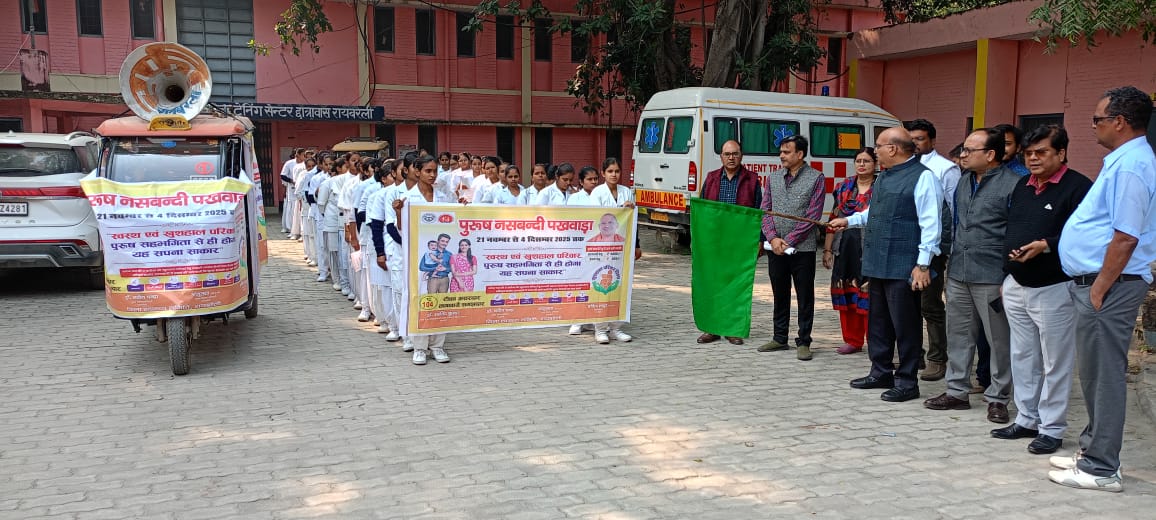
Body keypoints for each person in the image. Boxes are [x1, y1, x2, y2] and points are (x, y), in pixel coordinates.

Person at [1048, 86, 1156, 492]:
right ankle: (1092, 449)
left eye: (1097, 119)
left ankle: (1101, 468)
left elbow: (1126, 237)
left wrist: (1099, 289)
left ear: (1120, 122)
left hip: (1109, 285)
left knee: (1103, 376)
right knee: (1093, 373)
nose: (1093, 125)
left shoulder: (1132, 167)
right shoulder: (1125, 161)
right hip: (1102, 283)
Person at [989, 125, 1092, 455]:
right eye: (1028, 153)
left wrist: (1047, 245)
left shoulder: (1078, 187)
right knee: (1023, 356)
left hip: (1054, 285)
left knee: (1055, 361)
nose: (1033, 158)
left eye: (1041, 152)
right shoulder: (1023, 185)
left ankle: (1052, 429)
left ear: (1061, 153)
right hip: (1017, 283)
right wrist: (1007, 276)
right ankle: (1027, 419)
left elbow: (1088, 235)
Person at [828, 127, 942, 403]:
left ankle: (907, 381)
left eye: (878, 146)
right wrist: (849, 220)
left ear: (893, 148)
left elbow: (931, 224)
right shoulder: (885, 176)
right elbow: (875, 212)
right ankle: (880, 371)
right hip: (877, 261)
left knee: (905, 325)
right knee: (878, 321)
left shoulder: (923, 177)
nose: (875, 151)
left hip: (904, 263)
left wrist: (923, 265)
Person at [923, 128, 1020, 424]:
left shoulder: (1014, 184)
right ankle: (956, 391)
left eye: (969, 150)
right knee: (959, 335)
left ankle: (998, 398)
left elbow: (1016, 233)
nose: (962, 155)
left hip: (992, 275)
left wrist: (1009, 275)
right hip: (959, 272)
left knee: (998, 340)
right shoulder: (964, 181)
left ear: (990, 155)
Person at [758, 135, 825, 361]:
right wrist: (773, 238)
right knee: (779, 293)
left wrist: (789, 240)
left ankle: (804, 341)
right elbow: (765, 210)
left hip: (802, 249)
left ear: (800, 154)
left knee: (805, 295)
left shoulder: (816, 178)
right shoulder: (774, 177)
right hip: (775, 248)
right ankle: (779, 337)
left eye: (787, 152)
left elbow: (813, 215)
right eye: (781, 152)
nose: (782, 156)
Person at [904, 119, 960, 381]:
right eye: (911, 139)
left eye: (920, 139)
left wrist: (945, 248)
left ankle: (938, 358)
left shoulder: (945, 169)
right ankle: (913, 353)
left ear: (932, 141)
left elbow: (952, 211)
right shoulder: (904, 167)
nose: (915, 143)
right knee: (906, 304)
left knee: (931, 305)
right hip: (906, 245)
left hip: (932, 248)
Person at [697, 140, 764, 345]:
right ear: (721, 157)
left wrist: (760, 240)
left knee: (737, 286)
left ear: (741, 155)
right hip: (714, 242)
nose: (731, 158)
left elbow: (759, 212)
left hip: (740, 243)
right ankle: (711, 329)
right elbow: (703, 211)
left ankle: (733, 329)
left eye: (735, 153)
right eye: (727, 154)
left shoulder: (752, 180)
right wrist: (698, 239)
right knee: (712, 285)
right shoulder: (711, 178)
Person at [393, 156, 458, 364]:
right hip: (418, 260)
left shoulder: (444, 196)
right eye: (428, 171)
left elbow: (457, 220)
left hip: (442, 264)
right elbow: (401, 230)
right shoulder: (407, 198)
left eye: (434, 171)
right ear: (417, 172)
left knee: (440, 302)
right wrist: (398, 212)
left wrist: (464, 206)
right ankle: (420, 347)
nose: (432, 175)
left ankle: (437, 345)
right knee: (420, 300)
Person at [823, 148, 876, 355]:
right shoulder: (843, 187)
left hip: (870, 249)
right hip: (844, 248)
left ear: (875, 164)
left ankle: (875, 342)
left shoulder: (881, 187)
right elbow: (833, 218)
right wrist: (827, 249)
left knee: (871, 296)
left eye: (867, 161)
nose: (862, 164)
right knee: (846, 292)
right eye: (858, 161)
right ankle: (852, 340)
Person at [586, 157, 636, 345]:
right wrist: (619, 209)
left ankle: (616, 328)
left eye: (617, 171)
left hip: (621, 246)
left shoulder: (626, 191)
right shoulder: (597, 193)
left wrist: (636, 244)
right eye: (610, 171)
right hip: (601, 248)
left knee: (620, 285)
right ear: (603, 173)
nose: (614, 175)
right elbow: (596, 218)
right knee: (601, 286)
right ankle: (600, 329)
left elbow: (633, 220)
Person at [280, 148, 304, 234]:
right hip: (291, 188)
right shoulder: (289, 163)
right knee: (291, 208)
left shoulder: (305, 164)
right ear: (297, 155)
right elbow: (283, 175)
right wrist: (291, 181)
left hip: (301, 189)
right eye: (303, 155)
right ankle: (289, 227)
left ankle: (299, 229)